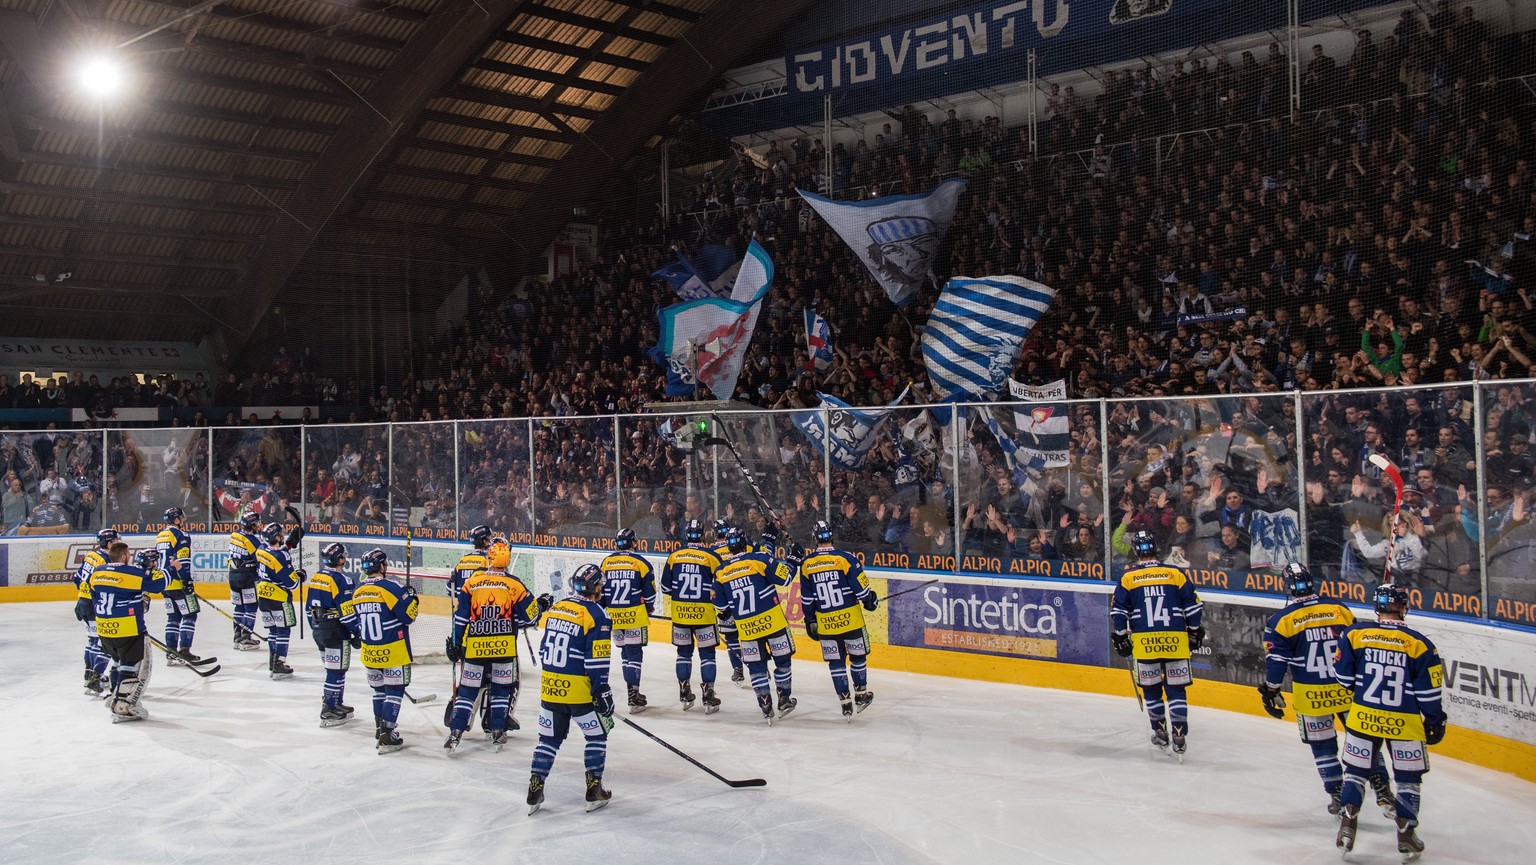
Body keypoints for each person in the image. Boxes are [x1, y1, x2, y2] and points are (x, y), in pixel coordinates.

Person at [1259, 562, 1393, 814]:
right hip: (1347, 689)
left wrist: (1271, 690)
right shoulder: (1339, 610)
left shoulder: (1280, 621)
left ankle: (1338, 793)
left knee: (1323, 748)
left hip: (1311, 695)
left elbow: (1276, 663)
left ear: (1287, 587)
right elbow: (1358, 647)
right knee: (1364, 740)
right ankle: (1381, 786)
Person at [1333, 584, 1447, 861]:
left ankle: (1348, 823)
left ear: (1377, 608)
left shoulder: (1354, 634)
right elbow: (1428, 694)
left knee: (1356, 772)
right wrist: (1436, 721)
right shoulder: (1420, 644)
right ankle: (1406, 835)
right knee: (1408, 780)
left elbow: (1344, 679)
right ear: (1403, 608)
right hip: (1404, 722)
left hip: (1363, 717)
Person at [527, 563, 614, 814]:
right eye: (600, 585)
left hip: (550, 687)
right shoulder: (598, 615)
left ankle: (535, 788)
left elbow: (545, 649)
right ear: (594, 586)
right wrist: (601, 691)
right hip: (580, 691)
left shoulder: (557, 608)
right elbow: (597, 661)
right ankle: (594, 790)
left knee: (548, 740)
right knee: (597, 736)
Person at [1111, 529, 1205, 756]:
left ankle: (1160, 730)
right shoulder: (1175, 573)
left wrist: (1122, 636)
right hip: (1175, 639)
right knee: (1176, 689)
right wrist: (1193, 632)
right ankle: (1179, 732)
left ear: (1135, 551)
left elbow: (1118, 611)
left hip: (1144, 643)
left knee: (1152, 689)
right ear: (1156, 549)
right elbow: (1193, 608)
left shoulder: (1129, 577)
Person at [444, 540, 543, 754]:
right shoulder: (514, 584)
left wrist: (456, 642)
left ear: (488, 558)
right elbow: (531, 615)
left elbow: (460, 617)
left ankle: (456, 732)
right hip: (504, 649)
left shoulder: (473, 582)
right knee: (500, 692)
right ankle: (498, 729)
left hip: (475, 648)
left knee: (467, 692)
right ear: (507, 559)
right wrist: (542, 604)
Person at [713, 526, 796, 723]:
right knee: (782, 661)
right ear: (744, 543)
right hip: (773, 623)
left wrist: (726, 611)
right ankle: (783, 699)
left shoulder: (721, 571)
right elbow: (786, 577)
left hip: (747, 628)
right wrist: (795, 560)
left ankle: (765, 705)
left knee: (757, 668)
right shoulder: (758, 559)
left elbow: (721, 606)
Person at [342, 548, 419, 754]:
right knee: (394, 692)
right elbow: (408, 616)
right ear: (382, 566)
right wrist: (413, 600)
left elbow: (355, 621)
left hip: (369, 652)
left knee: (378, 691)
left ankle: (379, 729)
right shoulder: (390, 587)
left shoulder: (358, 591)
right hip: (393, 650)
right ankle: (387, 734)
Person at [798, 520, 879, 718]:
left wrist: (810, 621)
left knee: (836, 662)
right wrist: (871, 601)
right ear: (831, 536)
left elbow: (807, 600)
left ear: (815, 539)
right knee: (858, 657)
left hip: (826, 624)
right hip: (851, 620)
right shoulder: (846, 559)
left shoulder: (807, 565)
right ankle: (860, 694)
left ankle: (845, 701)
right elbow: (862, 591)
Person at [88, 544, 168, 722]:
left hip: (104, 628)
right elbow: (158, 585)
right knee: (133, 667)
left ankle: (115, 696)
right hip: (128, 628)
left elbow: (94, 595)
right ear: (124, 556)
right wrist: (172, 569)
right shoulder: (130, 572)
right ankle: (122, 706)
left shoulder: (97, 572)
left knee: (117, 662)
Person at [659, 519, 724, 713]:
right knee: (707, 655)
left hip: (680, 614)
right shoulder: (711, 557)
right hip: (704, 614)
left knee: (683, 653)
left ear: (686, 535)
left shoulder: (674, 557)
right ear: (703, 534)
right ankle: (708, 693)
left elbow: (665, 588)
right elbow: (721, 586)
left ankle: (684, 688)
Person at [598, 527, 656, 713]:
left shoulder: (607, 562)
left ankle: (631, 692)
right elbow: (649, 595)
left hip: (614, 616)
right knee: (635, 655)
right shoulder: (641, 563)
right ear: (633, 542)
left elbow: (601, 593)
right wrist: (648, 608)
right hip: (635, 616)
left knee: (624, 655)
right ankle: (634, 694)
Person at [307, 542, 358, 727]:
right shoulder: (342, 580)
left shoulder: (316, 577)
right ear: (340, 559)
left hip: (319, 629)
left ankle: (336, 702)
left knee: (335, 669)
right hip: (335, 630)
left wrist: (315, 627)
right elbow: (347, 613)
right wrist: (357, 632)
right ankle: (328, 708)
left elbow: (308, 608)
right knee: (336, 670)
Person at [255, 521, 305, 679]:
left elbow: (275, 553)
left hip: (263, 596)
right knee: (283, 630)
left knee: (273, 631)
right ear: (276, 537)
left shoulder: (261, 549)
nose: (283, 535)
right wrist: (300, 576)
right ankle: (279, 663)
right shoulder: (282, 556)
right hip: (279, 598)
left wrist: (289, 543)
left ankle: (273, 660)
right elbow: (293, 584)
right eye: (281, 534)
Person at [72, 528, 118, 697]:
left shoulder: (92, 555)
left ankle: (89, 673)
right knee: (101, 641)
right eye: (116, 540)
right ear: (110, 543)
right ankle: (94, 677)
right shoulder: (106, 560)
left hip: (83, 602)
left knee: (92, 639)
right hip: (93, 604)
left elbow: (77, 579)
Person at [156, 507, 204, 666]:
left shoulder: (161, 535)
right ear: (176, 520)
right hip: (178, 583)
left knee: (173, 617)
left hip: (164, 583)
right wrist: (187, 580)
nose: (184, 520)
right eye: (181, 518)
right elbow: (182, 561)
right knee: (190, 615)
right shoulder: (181, 535)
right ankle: (184, 651)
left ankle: (171, 652)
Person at [709, 519, 747, 686]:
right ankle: (759, 666)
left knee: (731, 637)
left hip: (725, 599)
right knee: (750, 635)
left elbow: (711, 579)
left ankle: (738, 670)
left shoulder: (711, 552)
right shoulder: (745, 546)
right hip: (746, 596)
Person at [227, 509, 264, 650]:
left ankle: (237, 637)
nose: (259, 526)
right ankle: (246, 638)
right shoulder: (253, 540)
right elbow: (260, 558)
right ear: (253, 525)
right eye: (257, 524)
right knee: (251, 607)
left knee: (239, 606)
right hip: (246, 576)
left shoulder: (235, 534)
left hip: (233, 575)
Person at [449, 524, 493, 606]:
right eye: (489, 538)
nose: (491, 541)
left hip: (462, 610)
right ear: (484, 541)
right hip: (480, 610)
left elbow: (450, 589)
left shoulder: (463, 560)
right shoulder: (488, 561)